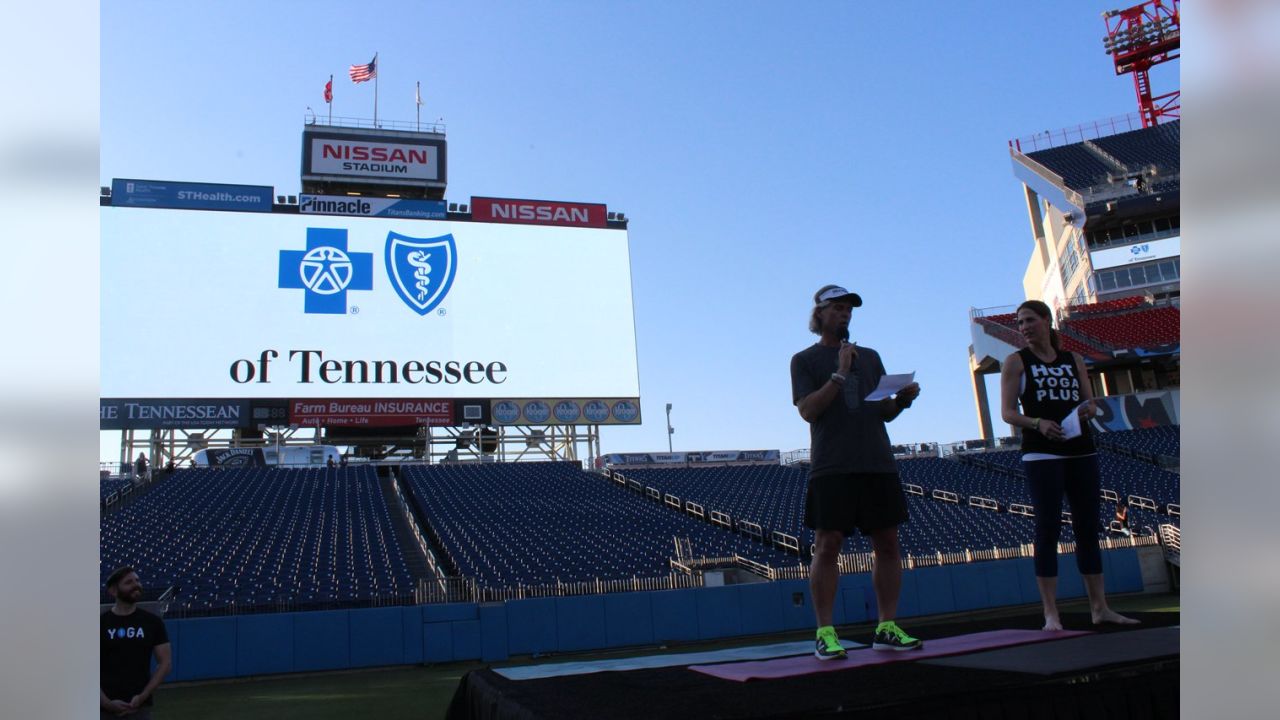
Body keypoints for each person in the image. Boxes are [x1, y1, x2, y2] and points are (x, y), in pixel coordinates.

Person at [791, 284, 923, 659]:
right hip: (832, 466)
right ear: (819, 315)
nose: (844, 314)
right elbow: (808, 410)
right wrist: (839, 373)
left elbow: (881, 412)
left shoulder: (871, 356)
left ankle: (886, 626)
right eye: (836, 309)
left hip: (876, 462)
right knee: (828, 544)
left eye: (848, 309)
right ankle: (825, 632)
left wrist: (901, 401)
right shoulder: (804, 360)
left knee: (888, 544)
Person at [999, 300, 1139, 631]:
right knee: (1047, 528)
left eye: (1030, 320)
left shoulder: (1073, 359)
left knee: (1087, 528)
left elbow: (1089, 401)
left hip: (1080, 448)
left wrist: (1089, 409)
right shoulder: (1015, 362)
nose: (1024, 327)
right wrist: (1037, 422)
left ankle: (1099, 607)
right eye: (1020, 323)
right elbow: (1007, 413)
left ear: (1047, 321)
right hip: (1041, 451)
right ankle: (1051, 614)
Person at [101, 567, 171, 718]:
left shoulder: (152, 622)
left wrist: (143, 696)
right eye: (129, 582)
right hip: (103, 708)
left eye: (137, 580)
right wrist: (106, 703)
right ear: (113, 591)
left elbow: (165, 663)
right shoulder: (99, 624)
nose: (136, 584)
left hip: (140, 707)